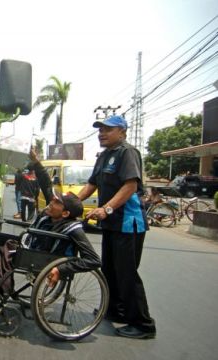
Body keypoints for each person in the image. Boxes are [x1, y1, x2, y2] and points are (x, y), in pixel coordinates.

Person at [78, 115, 156, 339]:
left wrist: (107, 209)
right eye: (100, 129)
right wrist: (70, 201)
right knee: (110, 269)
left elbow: (130, 185)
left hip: (128, 223)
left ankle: (143, 325)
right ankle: (116, 310)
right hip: (112, 224)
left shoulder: (127, 152)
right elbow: (92, 184)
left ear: (122, 131)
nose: (102, 133)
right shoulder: (104, 156)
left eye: (107, 129)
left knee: (127, 273)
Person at [0, 189, 101, 292]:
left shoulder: (75, 230)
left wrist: (60, 269)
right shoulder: (46, 217)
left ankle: (3, 288)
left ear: (65, 213)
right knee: (1, 240)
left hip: (43, 259)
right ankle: (2, 284)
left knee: (8, 245)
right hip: (35, 250)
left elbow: (94, 260)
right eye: (53, 199)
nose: (51, 202)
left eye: (57, 202)